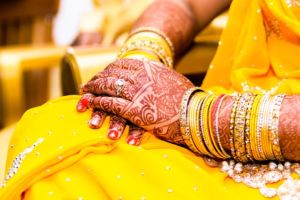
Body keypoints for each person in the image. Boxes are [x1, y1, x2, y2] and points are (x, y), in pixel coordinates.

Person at [1, 0, 300, 199]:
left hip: (263, 142)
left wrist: (200, 116)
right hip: (213, 125)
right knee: (59, 131)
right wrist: (140, 63)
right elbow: (185, 4)